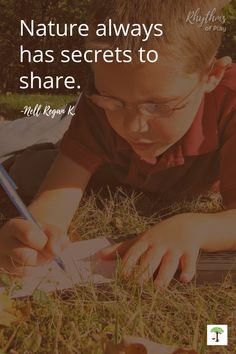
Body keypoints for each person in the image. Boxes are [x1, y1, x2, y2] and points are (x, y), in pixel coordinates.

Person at [0, 0, 235, 288]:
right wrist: (33, 237)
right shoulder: (95, 109)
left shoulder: (230, 102)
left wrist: (198, 227)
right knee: (28, 167)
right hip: (98, 159)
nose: (133, 127)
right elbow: (53, 205)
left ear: (212, 75)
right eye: (113, 101)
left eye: (158, 105)